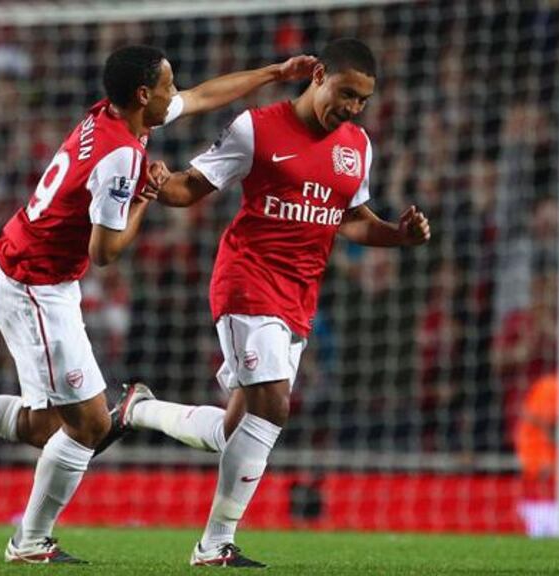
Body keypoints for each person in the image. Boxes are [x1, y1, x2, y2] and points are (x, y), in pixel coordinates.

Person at [0, 44, 317, 564]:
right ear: (144, 94)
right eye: (168, 85)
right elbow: (104, 252)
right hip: (32, 283)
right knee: (89, 426)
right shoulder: (122, 156)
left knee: (45, 427)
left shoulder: (113, 115)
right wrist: (145, 201)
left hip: (35, 274)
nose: (177, 93)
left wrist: (275, 73)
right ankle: (30, 543)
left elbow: (200, 98)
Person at [116, 38, 431, 567]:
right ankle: (215, 546)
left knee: (232, 430)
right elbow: (192, 186)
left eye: (363, 101)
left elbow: (352, 219)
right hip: (246, 278)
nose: (353, 108)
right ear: (319, 76)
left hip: (299, 297)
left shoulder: (357, 146)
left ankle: (137, 409)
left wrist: (399, 235)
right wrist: (157, 179)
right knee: (275, 403)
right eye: (347, 93)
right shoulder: (256, 127)